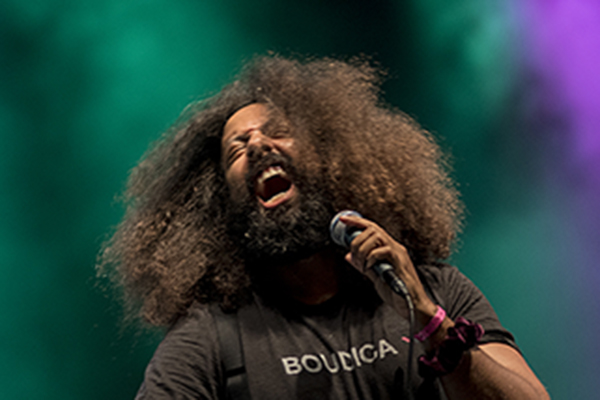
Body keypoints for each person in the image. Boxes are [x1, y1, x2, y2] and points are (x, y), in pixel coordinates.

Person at [98, 55, 549, 399]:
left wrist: (431, 323)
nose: (257, 145)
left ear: (333, 157)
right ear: (218, 206)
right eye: (236, 150)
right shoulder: (211, 336)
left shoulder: (436, 289)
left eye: (277, 130)